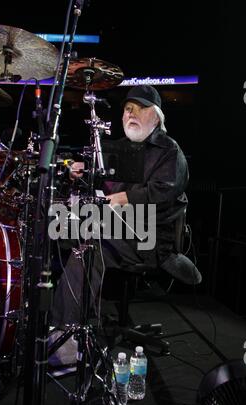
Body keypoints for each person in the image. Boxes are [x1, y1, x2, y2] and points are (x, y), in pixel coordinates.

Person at [49, 85, 189, 365]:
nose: (131, 113)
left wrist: (125, 197)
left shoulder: (168, 151)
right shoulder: (119, 148)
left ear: (157, 117)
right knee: (57, 228)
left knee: (89, 247)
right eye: (127, 108)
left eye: (140, 108)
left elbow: (165, 190)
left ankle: (65, 336)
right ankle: (67, 321)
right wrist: (79, 170)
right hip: (119, 226)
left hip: (152, 236)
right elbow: (99, 175)